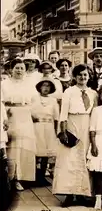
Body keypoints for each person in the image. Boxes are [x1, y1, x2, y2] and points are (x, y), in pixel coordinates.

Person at [53, 64, 96, 207]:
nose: (82, 77)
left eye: (85, 75)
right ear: (75, 77)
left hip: (87, 124)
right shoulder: (69, 92)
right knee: (69, 159)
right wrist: (63, 131)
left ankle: (83, 194)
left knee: (84, 158)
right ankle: (69, 194)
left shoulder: (93, 93)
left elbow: (95, 113)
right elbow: (63, 113)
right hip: (72, 123)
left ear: (89, 76)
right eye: (79, 75)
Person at [1, 59, 38, 190]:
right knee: (12, 148)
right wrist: (5, 112)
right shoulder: (4, 84)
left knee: (23, 147)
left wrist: (32, 112)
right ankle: (9, 178)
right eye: (17, 68)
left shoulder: (29, 84)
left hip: (25, 116)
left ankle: (20, 178)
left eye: (22, 68)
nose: (19, 70)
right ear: (11, 69)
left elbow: (34, 101)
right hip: (10, 116)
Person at [31, 79, 59, 186]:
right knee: (36, 151)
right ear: (39, 87)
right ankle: (34, 177)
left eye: (48, 86)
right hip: (36, 126)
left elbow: (56, 117)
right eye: (44, 85)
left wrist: (56, 131)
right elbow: (29, 112)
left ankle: (42, 177)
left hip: (48, 127)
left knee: (45, 153)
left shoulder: (53, 100)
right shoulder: (34, 98)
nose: (46, 88)